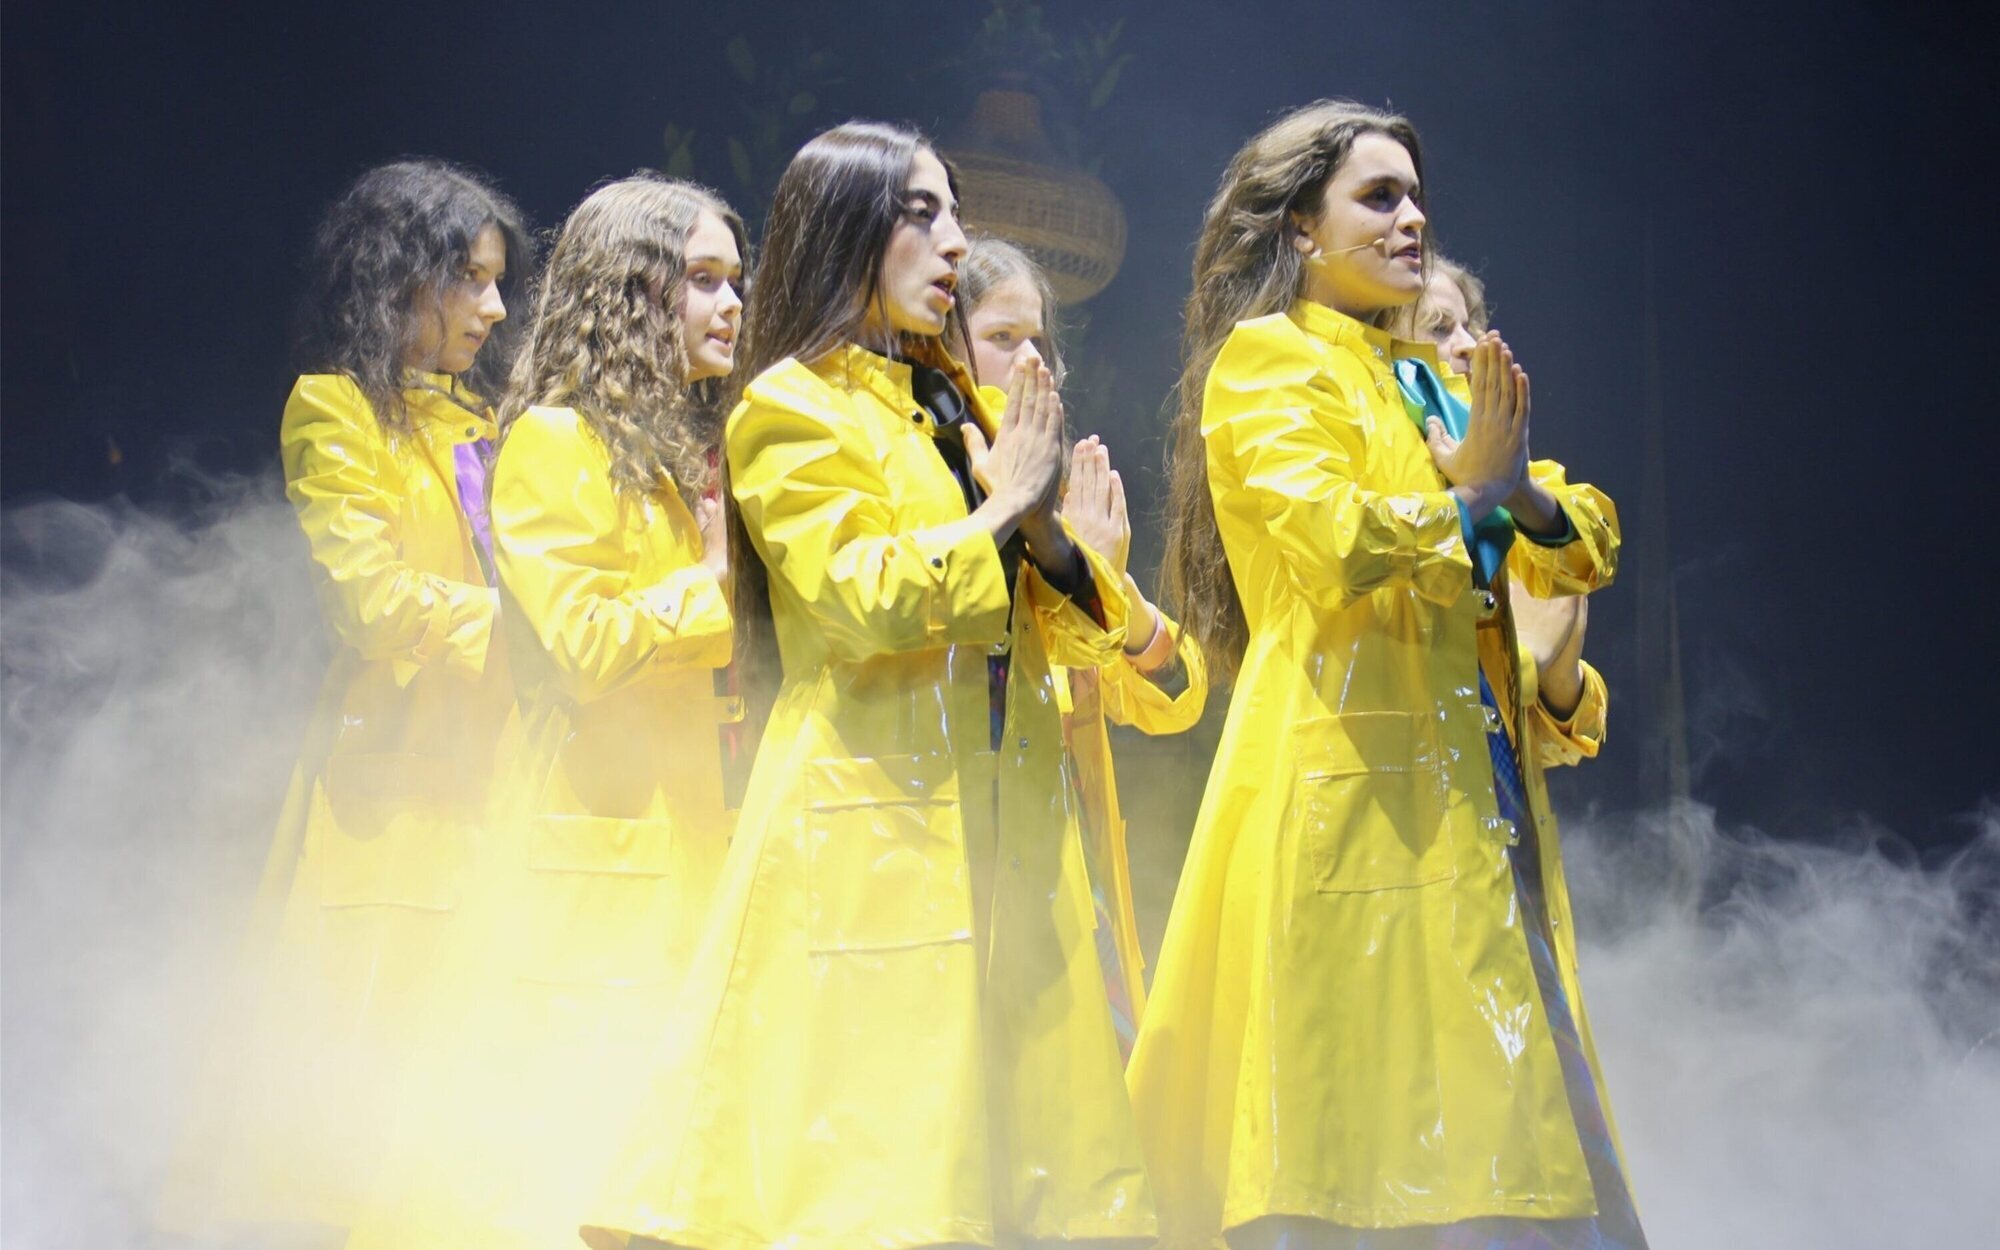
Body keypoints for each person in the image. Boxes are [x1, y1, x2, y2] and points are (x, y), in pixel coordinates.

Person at [584, 121, 1155, 1250]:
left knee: (1031, 1181)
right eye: (920, 213)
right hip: (867, 836)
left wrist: (1046, 536)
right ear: (844, 229)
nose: (953, 240)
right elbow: (862, 599)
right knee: (869, 1185)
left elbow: (1069, 631)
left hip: (1006, 835)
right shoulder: (785, 406)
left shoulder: (949, 408)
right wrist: (1001, 511)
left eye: (953, 212)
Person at [1134, 100, 1647, 1249]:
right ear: (1299, 232)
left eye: (1416, 196)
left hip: (1472, 805)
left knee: (1515, 1128)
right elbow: (1331, 540)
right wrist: (1471, 495)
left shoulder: (1424, 379)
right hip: (1347, 805)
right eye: (1378, 196)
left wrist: (1510, 490)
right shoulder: (1268, 362)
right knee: (1368, 1155)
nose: (1411, 216)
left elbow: (1588, 534)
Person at [344, 173, 749, 1250]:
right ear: (628, 290)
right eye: (702, 279)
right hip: (591, 864)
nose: (731, 306)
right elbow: (579, 649)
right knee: (565, 1161)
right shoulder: (558, 443)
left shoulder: (663, 457)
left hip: (679, 845)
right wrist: (714, 586)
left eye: (735, 281)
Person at [158, 159, 529, 1240]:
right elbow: (370, 602)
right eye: (468, 278)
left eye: (496, 280)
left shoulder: (495, 422)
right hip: (390, 806)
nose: (494, 307)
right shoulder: (333, 409)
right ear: (393, 281)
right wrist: (534, 639)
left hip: (499, 785)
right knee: (363, 1073)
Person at [957, 233, 1209, 1059]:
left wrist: (1104, 584)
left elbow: (1174, 701)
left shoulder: (1069, 510)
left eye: (1040, 343)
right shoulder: (932, 488)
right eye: (1001, 340)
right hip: (965, 866)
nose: (1031, 362)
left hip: (1073, 874)